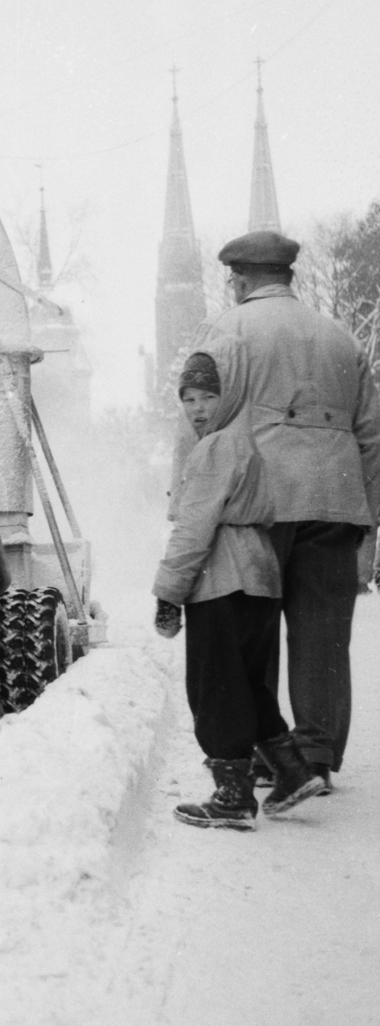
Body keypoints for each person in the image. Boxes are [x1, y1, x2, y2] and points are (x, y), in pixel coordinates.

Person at [191, 230, 380, 791]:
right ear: (288, 276)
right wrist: (367, 516)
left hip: (261, 501)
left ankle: (266, 755)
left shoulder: (227, 330)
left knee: (252, 626)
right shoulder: (341, 337)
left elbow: (206, 418)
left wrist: (198, 494)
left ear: (241, 279)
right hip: (337, 499)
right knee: (323, 635)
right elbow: (371, 436)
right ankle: (316, 753)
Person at [154, 341, 323, 829]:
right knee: (248, 685)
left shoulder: (215, 447)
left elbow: (193, 528)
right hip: (261, 578)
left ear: (227, 397)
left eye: (208, 396)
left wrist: (168, 591)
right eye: (188, 398)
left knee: (215, 688)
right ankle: (292, 772)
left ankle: (233, 799)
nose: (198, 408)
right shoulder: (247, 441)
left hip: (221, 579)